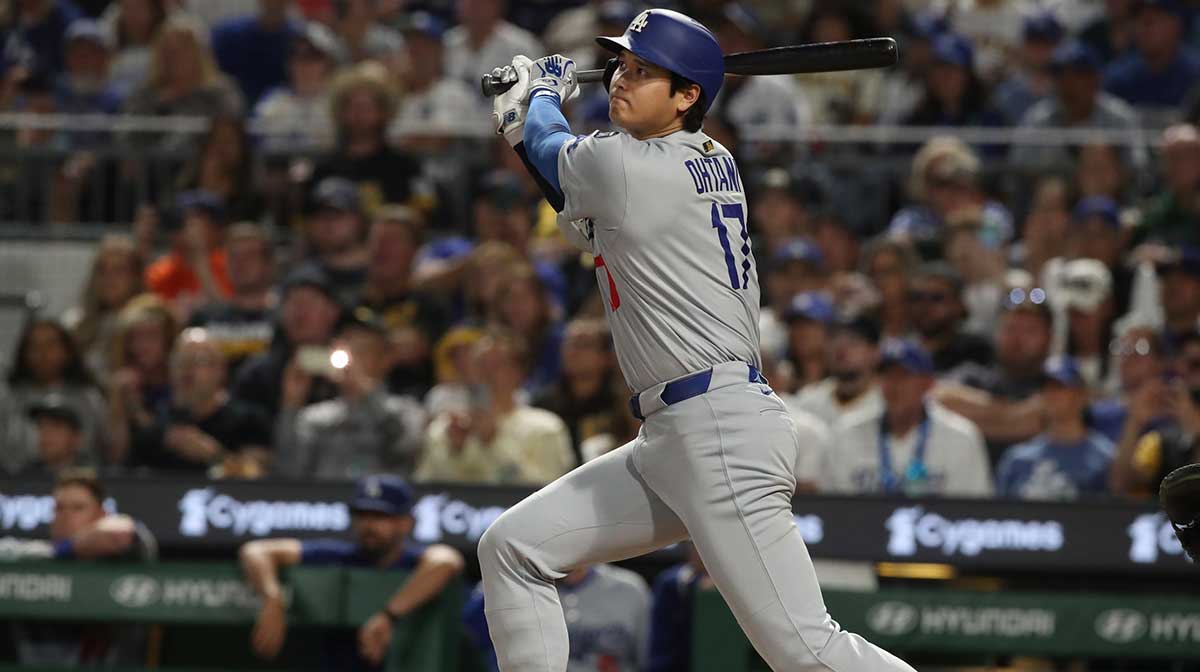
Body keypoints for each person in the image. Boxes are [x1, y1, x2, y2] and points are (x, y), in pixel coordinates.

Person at [480, 9, 917, 671]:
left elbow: (555, 156)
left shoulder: (632, 168)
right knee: (514, 548)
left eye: (644, 71)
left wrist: (535, 96)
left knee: (806, 651)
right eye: (621, 65)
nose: (621, 79)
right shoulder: (703, 160)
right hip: (676, 434)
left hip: (717, 430)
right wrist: (533, 110)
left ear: (688, 97)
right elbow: (577, 207)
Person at [239, 475, 464, 671]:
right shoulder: (340, 555)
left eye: (380, 516)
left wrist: (387, 616)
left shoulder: (414, 561)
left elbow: (448, 561)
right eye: (362, 515)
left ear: (406, 523)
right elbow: (255, 551)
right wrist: (272, 598)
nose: (368, 525)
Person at [8, 470, 156, 666]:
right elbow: (13, 552)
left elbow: (122, 532)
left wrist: (70, 548)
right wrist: (58, 553)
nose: (66, 516)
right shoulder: (33, 554)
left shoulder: (128, 551)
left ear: (102, 514)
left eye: (78, 508)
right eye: (59, 508)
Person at [825, 338, 993, 497]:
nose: (893, 385)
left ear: (927, 384)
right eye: (887, 376)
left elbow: (973, 511)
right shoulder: (846, 433)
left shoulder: (961, 438)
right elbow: (832, 508)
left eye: (903, 376)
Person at [274, 311, 425, 480]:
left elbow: (403, 448)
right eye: (346, 351)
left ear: (386, 359)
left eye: (361, 350)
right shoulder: (315, 417)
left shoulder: (407, 409)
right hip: (326, 503)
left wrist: (367, 393)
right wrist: (291, 404)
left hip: (380, 503)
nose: (352, 360)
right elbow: (289, 470)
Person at [415, 330, 575, 485]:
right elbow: (426, 491)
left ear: (519, 373)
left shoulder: (545, 428)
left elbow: (548, 491)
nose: (485, 372)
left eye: (497, 364)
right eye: (478, 364)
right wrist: (455, 451)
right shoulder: (443, 429)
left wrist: (494, 442)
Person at [130, 328, 271, 475]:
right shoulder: (156, 422)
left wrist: (216, 456)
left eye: (199, 360)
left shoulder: (250, 422)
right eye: (181, 361)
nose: (187, 369)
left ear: (221, 370)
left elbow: (259, 479)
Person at [995, 356, 1116, 500]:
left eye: (1059, 387)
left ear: (1081, 395)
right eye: (1045, 387)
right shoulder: (1016, 459)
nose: (1050, 394)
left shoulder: (1106, 459)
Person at [188, 222, 276, 370]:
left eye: (249, 256)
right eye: (233, 257)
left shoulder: (284, 320)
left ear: (267, 264)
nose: (240, 263)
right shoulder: (204, 318)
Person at [787, 314, 884, 428]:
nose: (841, 348)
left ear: (875, 352)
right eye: (834, 339)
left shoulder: (885, 405)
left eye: (853, 341)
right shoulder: (807, 401)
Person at [210, 0, 301, 107]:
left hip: (284, 116)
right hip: (233, 114)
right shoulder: (228, 36)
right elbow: (212, 77)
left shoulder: (302, 41)